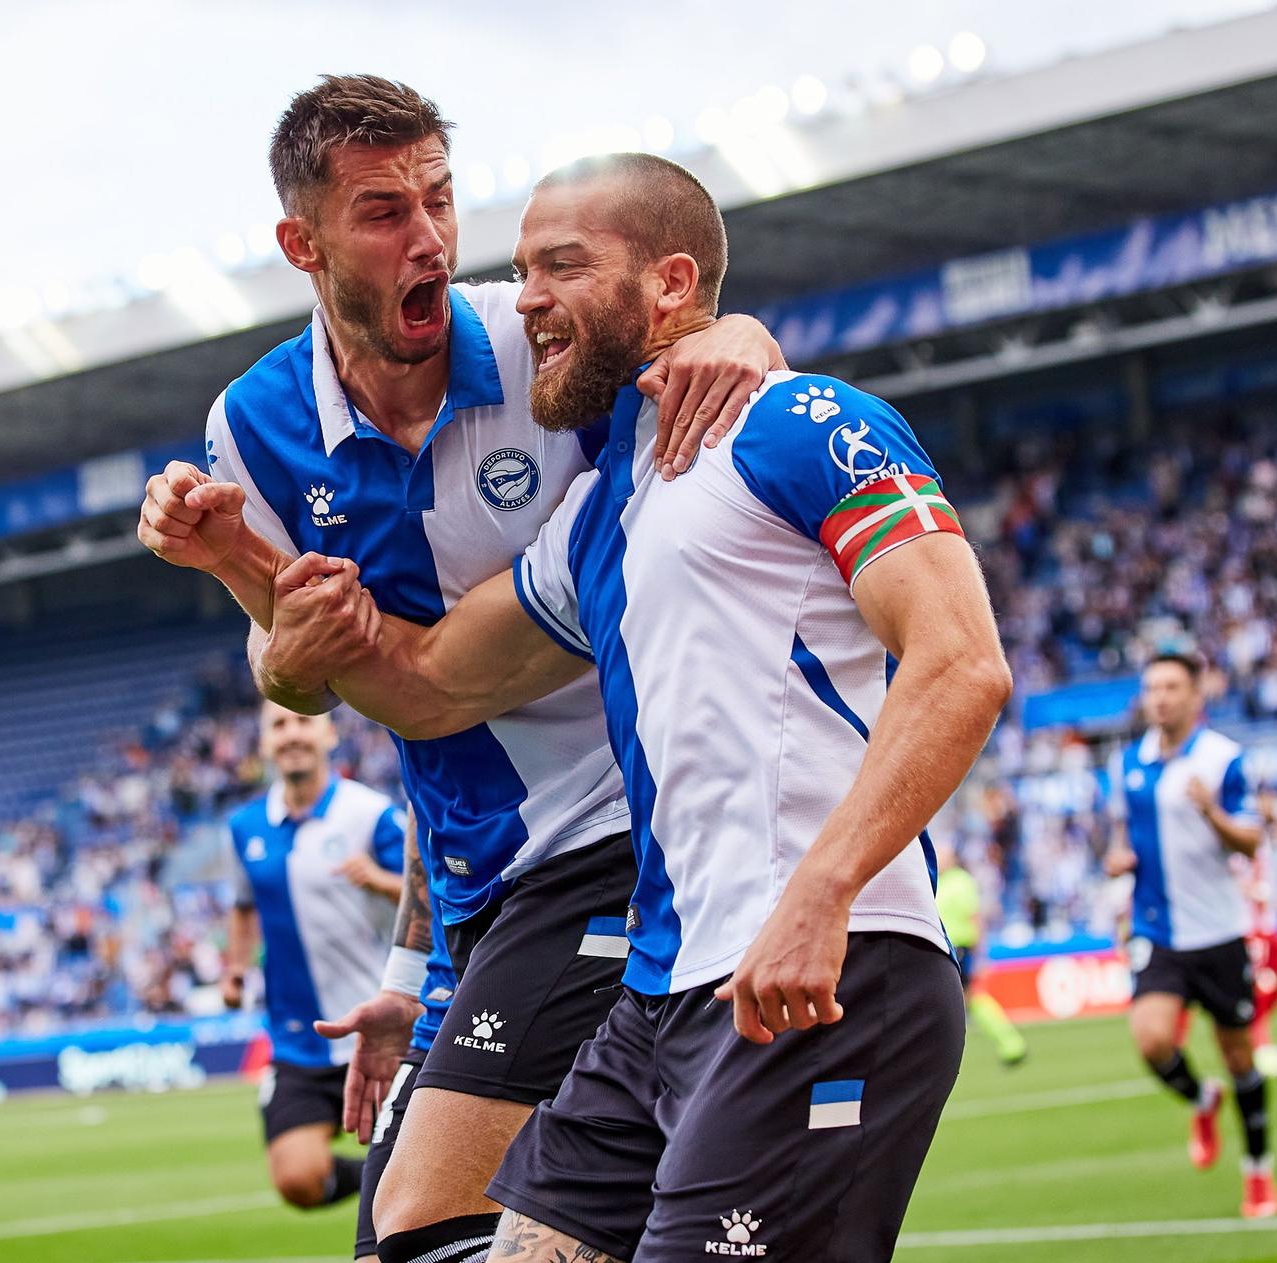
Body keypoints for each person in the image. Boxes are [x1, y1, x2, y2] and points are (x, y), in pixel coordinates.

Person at [164, 151, 1009, 1262]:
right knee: (424, 1240)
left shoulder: (796, 422)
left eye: (560, 267)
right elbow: (425, 686)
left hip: (826, 970)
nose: (522, 302)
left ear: (667, 287)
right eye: (519, 271)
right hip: (662, 991)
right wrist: (243, 564)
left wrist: (824, 890)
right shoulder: (593, 518)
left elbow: (959, 664)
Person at [139, 76, 786, 1263]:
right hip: (477, 887)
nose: (429, 236)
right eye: (385, 211)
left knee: (423, 1226)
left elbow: (701, 353)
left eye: (438, 199)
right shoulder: (254, 426)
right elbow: (300, 674)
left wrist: (741, 335)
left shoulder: (532, 335)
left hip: (619, 840)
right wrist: (247, 587)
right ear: (303, 243)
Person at [1105, 652, 1277, 1219]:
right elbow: (1126, 836)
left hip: (1219, 930)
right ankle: (1203, 1100)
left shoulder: (1223, 760)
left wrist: (1211, 813)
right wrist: (1120, 859)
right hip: (1158, 928)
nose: (1161, 697)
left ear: (1194, 695)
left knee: (1239, 1056)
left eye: (1172, 687)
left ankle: (1257, 1171)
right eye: (1153, 687)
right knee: (1152, 1040)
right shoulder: (1128, 762)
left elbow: (1252, 842)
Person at [224, 702, 405, 1211]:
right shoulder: (245, 826)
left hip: (379, 1027)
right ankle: (378, 1178)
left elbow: (428, 893)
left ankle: (391, 1186)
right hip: (297, 1041)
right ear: (263, 743)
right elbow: (242, 906)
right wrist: (234, 969)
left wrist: (380, 880)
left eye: (302, 721)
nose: (291, 734)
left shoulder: (369, 813)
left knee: (413, 1175)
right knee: (298, 1181)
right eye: (278, 725)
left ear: (328, 734)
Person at [934, 838, 1027, 1067]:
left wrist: (981, 954)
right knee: (967, 999)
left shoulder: (961, 882)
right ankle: (1009, 1042)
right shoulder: (937, 881)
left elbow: (975, 918)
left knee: (969, 997)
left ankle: (1011, 1042)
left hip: (961, 947)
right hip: (947, 948)